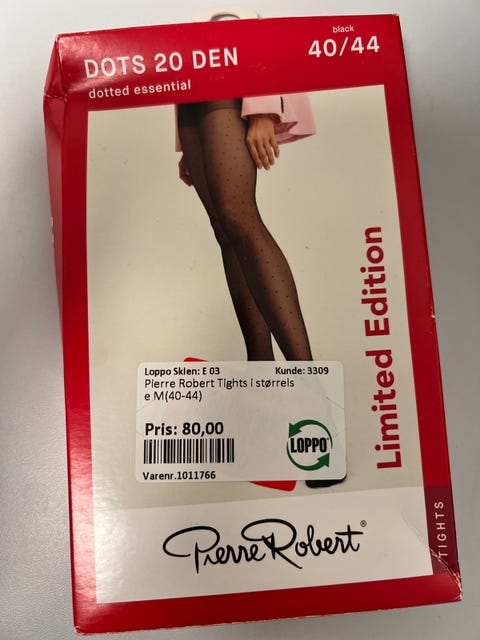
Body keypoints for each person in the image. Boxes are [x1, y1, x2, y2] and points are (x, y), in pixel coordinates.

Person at [176, 94, 316, 361]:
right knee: (225, 230)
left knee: (238, 219)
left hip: (228, 88)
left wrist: (262, 108)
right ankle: (261, 370)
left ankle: (307, 377)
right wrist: (200, 142)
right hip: (192, 99)